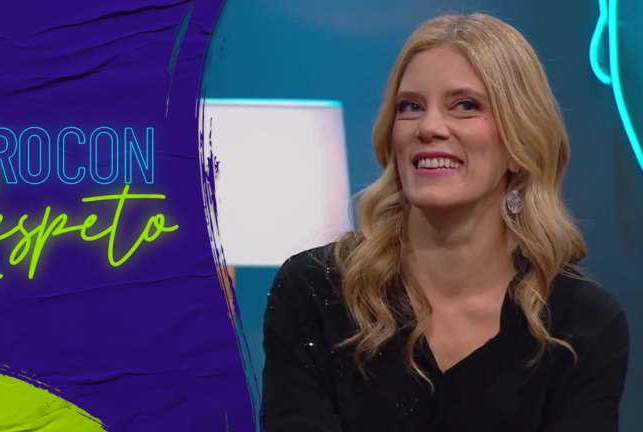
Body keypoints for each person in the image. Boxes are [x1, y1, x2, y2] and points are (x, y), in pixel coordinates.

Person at [261, 12, 630, 432]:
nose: (429, 127)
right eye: (411, 107)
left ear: (519, 145)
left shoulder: (582, 324)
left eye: (465, 106)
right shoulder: (315, 290)